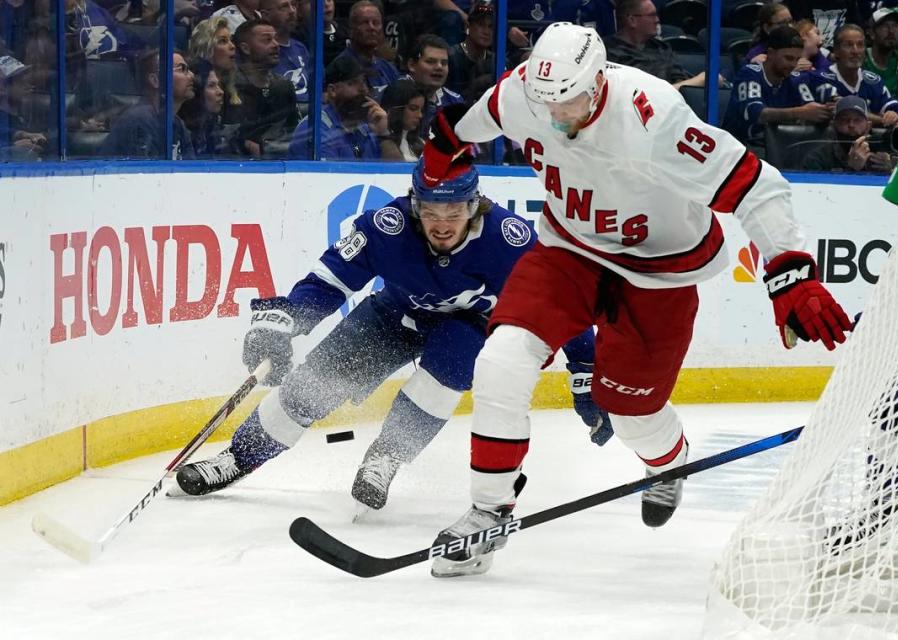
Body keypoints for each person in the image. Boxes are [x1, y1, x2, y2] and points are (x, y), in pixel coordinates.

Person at [420, 22, 852, 577]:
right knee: (501, 358)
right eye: (545, 103)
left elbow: (756, 184)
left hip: (660, 272)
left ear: (599, 83)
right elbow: (457, 128)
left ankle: (668, 463)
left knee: (630, 414)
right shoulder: (524, 92)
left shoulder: (654, 116)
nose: (555, 118)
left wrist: (790, 273)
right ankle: (487, 510)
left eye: (570, 102)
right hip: (569, 250)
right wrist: (440, 155)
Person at [173, 157, 612, 516]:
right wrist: (286, 321)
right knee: (313, 386)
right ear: (414, 205)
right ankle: (238, 456)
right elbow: (328, 283)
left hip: (469, 324)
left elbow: (556, 307)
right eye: (431, 212)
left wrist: (586, 370)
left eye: (454, 212)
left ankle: (387, 456)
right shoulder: (386, 227)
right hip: (393, 314)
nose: (442, 224)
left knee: (451, 368)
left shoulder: (507, 240)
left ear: (475, 206)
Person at [722, 26, 833, 146]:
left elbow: (808, 107)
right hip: (739, 147)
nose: (793, 64)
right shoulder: (750, 73)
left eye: (797, 59)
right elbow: (756, 114)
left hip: (778, 148)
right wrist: (800, 113)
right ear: (770, 53)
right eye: (788, 58)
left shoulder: (796, 79)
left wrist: (825, 111)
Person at [806, 24, 898, 129]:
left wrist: (897, 118)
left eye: (860, 45)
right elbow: (848, 111)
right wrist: (883, 120)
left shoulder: (873, 81)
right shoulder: (820, 78)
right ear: (836, 51)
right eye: (848, 45)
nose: (855, 51)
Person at [288, 54, 387, 160]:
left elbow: (396, 173)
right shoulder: (315, 129)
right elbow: (331, 175)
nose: (363, 89)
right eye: (352, 83)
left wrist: (384, 135)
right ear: (332, 91)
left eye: (363, 82)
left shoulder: (366, 128)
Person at [101, 49, 196, 158]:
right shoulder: (139, 121)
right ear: (155, 80)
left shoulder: (177, 124)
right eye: (182, 69)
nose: (192, 75)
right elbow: (148, 173)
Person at [224, 19, 299, 158]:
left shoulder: (284, 87)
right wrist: (244, 143)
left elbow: (292, 131)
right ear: (245, 48)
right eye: (267, 40)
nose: (276, 45)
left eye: (275, 39)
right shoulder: (229, 86)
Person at [604, 0, 703, 90]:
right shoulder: (609, 52)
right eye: (652, 15)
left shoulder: (661, 47)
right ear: (632, 20)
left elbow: (679, 79)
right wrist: (698, 81)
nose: (657, 20)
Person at [802, 95, 895, 173]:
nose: (851, 125)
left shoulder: (882, 152)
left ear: (868, 126)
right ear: (834, 125)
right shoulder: (817, 158)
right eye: (844, 120)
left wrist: (890, 171)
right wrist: (851, 169)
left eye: (857, 120)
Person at [332, 0, 399, 99]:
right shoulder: (340, 68)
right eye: (365, 23)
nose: (371, 28)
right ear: (351, 29)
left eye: (376, 23)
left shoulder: (388, 68)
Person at [402, 33, 463, 138]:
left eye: (444, 63)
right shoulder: (394, 96)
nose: (439, 67)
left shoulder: (455, 102)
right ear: (412, 65)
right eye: (431, 62)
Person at [862, 8, 898, 99]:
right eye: (885, 26)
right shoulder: (861, 58)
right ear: (871, 33)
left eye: (895, 26)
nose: (891, 31)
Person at [260, 0, 309, 103]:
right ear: (266, 15)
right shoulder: (260, 51)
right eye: (284, 7)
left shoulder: (301, 48)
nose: (292, 11)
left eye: (294, 5)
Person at [0, 54, 47, 160]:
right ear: (2, 88)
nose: (28, 87)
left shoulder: (28, 118)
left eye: (27, 81)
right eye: (20, 82)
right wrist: (12, 149)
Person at [188, 16, 240, 110]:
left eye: (231, 40)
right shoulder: (192, 90)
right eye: (223, 41)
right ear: (205, 48)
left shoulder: (236, 85)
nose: (233, 46)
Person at [180, 60, 230, 157]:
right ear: (197, 91)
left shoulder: (211, 127)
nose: (221, 92)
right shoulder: (181, 130)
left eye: (218, 85)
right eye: (211, 86)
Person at [446, 1, 494, 98]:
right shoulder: (450, 57)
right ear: (467, 27)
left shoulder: (498, 61)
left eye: (490, 26)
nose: (486, 31)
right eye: (481, 24)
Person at [378, 78, 425, 161]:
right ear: (394, 109)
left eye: (421, 110)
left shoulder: (421, 143)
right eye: (413, 109)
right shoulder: (376, 141)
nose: (420, 115)